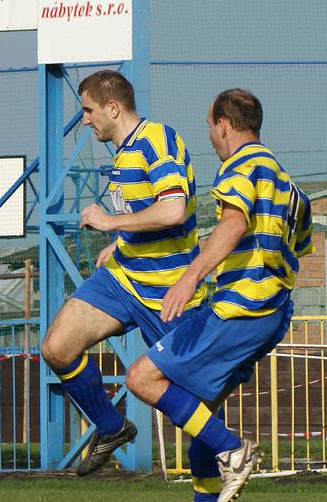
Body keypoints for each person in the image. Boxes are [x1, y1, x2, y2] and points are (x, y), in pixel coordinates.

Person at [126, 89, 313, 502]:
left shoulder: (239, 167)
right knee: (195, 404)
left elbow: (233, 223)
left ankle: (234, 451)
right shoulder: (285, 181)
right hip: (273, 312)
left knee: (141, 378)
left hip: (239, 306)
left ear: (224, 125)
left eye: (210, 126)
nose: (210, 136)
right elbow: (301, 247)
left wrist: (190, 276)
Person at [41, 70, 207, 476]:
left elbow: (173, 210)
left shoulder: (157, 140)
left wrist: (111, 224)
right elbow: (146, 213)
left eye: (88, 110)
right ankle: (112, 428)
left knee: (196, 399)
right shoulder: (124, 152)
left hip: (169, 292)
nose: (84, 119)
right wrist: (122, 244)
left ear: (112, 108)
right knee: (56, 348)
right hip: (123, 279)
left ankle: (218, 475)